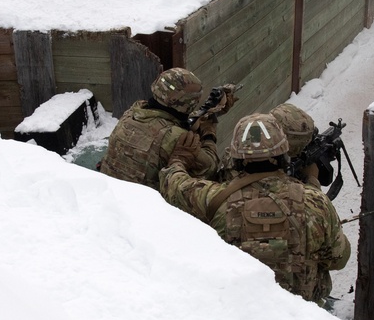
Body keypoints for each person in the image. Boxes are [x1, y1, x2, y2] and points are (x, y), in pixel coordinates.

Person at [160, 113, 350, 304]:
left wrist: (179, 159)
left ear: (235, 157)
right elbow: (339, 259)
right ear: (285, 154)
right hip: (301, 314)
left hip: (238, 311)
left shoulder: (213, 198)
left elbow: (174, 183)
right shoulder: (316, 202)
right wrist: (312, 182)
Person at [99, 67, 221, 190]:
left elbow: (164, 118)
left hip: (110, 193)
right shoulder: (173, 136)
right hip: (139, 205)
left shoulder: (133, 112)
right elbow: (210, 168)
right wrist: (209, 131)